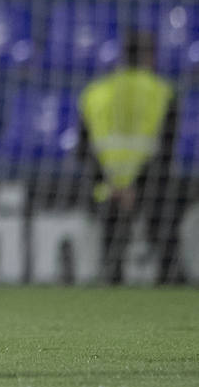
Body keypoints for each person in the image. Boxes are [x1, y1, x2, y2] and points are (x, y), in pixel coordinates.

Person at [77, 33, 180, 284]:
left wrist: (112, 184)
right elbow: (166, 150)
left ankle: (109, 286)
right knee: (165, 240)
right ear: (149, 56)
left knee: (111, 255)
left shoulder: (93, 92)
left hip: (105, 187)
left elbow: (83, 151)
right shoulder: (164, 92)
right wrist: (134, 185)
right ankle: (170, 286)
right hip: (150, 185)